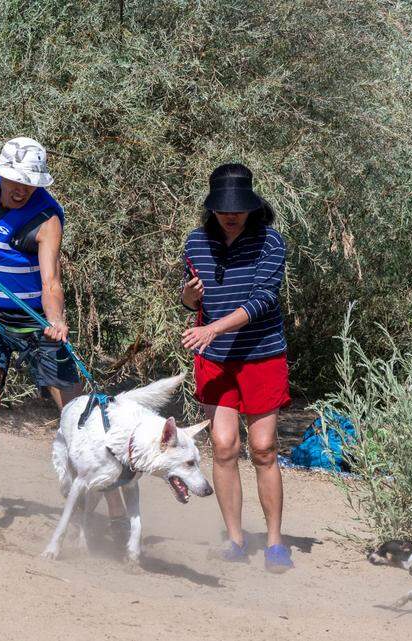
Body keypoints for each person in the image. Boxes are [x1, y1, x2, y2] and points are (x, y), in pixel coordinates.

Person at [0, 137, 127, 533]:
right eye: (15, 181)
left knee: (77, 414)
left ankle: (117, 509)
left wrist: (56, 320)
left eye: (30, 183)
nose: (21, 189)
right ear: (1, 174)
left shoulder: (46, 220)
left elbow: (51, 281)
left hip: (35, 322)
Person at [180, 163, 294, 573]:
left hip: (261, 356)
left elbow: (264, 300)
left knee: (263, 448)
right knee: (224, 445)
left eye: (238, 208)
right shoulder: (195, 243)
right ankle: (235, 538)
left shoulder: (270, 243)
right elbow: (192, 301)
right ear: (212, 208)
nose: (231, 215)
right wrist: (189, 297)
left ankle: (276, 543)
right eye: (223, 208)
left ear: (251, 206)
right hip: (214, 360)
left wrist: (213, 327)